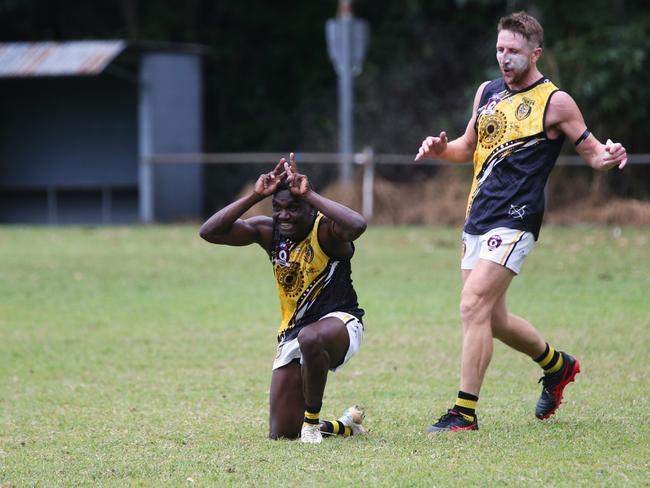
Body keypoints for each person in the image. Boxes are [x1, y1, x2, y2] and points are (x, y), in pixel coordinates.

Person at [415, 11, 627, 432]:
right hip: (478, 214)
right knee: (492, 319)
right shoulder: (487, 92)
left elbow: (593, 154)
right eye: (499, 49)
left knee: (472, 305)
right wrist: (441, 150)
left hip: (516, 219)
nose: (504, 58)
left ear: (535, 52)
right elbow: (467, 147)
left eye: (513, 50)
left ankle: (464, 413)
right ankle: (557, 365)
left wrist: (610, 155)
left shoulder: (555, 101)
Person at [199, 153, 368, 443]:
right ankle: (342, 425)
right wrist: (255, 196)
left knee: (312, 338)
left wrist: (311, 195)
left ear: (310, 208)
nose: (284, 215)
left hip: (340, 324)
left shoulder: (326, 231)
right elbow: (209, 232)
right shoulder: (269, 231)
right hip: (293, 333)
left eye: (293, 208)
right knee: (282, 434)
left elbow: (357, 225)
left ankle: (312, 425)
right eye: (278, 208)